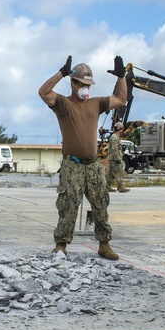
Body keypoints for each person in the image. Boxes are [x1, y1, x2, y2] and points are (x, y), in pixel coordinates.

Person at [39, 55, 127, 260]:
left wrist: (122, 76)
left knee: (101, 203)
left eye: (88, 84)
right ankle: (61, 245)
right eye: (81, 83)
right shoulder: (62, 103)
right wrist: (61, 73)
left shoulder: (96, 104)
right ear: (73, 83)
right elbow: (43, 92)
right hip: (73, 164)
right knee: (68, 204)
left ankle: (104, 244)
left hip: (94, 165)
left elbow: (121, 98)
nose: (85, 87)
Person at [107, 123, 129, 193]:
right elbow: (114, 149)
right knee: (119, 172)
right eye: (122, 129)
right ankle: (120, 186)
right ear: (120, 129)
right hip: (114, 159)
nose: (122, 130)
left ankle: (107, 186)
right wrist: (117, 158)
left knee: (110, 174)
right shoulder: (114, 138)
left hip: (112, 158)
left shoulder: (115, 137)